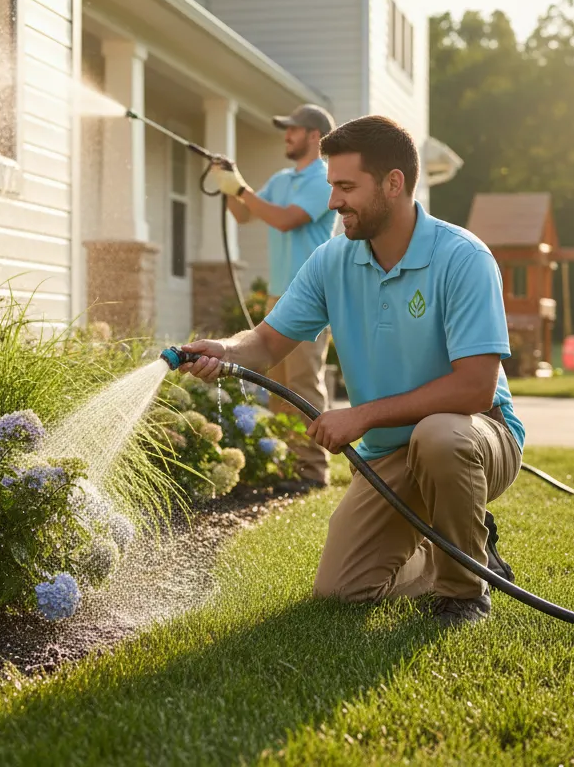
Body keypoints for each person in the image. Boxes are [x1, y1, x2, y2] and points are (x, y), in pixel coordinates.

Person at [180, 114, 525, 628]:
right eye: (331, 186)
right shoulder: (332, 260)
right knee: (342, 589)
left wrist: (361, 416)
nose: (334, 201)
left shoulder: (462, 257)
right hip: (393, 451)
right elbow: (268, 341)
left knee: (438, 436)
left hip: (475, 434)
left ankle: (464, 592)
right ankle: (459, 549)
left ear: (394, 183)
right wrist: (226, 351)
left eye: (346, 186)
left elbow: (475, 388)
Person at [209, 103, 337, 488]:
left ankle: (314, 470)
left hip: (312, 295)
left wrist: (243, 188)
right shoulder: (281, 178)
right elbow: (243, 213)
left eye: (293, 130)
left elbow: (285, 220)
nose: (287, 135)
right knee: (277, 386)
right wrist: (229, 184)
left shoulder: (323, 180)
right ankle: (287, 465)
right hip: (279, 294)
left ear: (314, 136)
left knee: (302, 382)